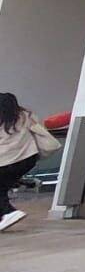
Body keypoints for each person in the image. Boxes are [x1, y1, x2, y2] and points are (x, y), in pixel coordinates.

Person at [0, 93, 47, 232]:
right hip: (28, 159)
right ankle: (4, 215)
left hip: (7, 161)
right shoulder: (26, 116)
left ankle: (8, 212)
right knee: (1, 187)